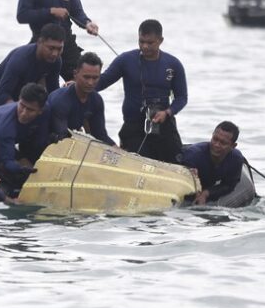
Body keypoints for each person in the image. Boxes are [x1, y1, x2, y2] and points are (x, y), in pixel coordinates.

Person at [96, 19, 187, 163]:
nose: (145, 46)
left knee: (176, 162)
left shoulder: (173, 64)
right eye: (141, 41)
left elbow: (182, 97)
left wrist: (168, 112)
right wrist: (78, 83)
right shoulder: (125, 60)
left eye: (150, 43)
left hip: (163, 124)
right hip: (133, 127)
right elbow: (101, 81)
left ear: (160, 40)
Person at [0, 83, 50, 195]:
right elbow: (7, 161)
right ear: (18, 100)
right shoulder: (7, 124)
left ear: (40, 111)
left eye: (30, 110)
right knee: (18, 174)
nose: (24, 113)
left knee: (35, 171)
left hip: (12, 142)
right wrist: (20, 169)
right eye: (22, 106)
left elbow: (40, 141)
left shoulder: (47, 110)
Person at [0, 23, 63, 112]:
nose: (55, 54)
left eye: (59, 49)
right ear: (39, 42)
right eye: (51, 48)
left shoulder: (56, 61)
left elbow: (53, 92)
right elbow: (2, 94)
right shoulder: (20, 59)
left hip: (20, 97)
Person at [46, 52, 115, 145]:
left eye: (95, 78)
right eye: (86, 77)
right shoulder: (61, 100)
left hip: (69, 140)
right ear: (75, 74)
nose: (90, 83)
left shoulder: (96, 100)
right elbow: (62, 139)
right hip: (48, 142)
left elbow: (100, 136)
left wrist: (122, 153)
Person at [180, 121, 244, 205]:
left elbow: (229, 185)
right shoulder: (194, 155)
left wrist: (206, 193)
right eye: (215, 139)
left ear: (233, 146)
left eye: (223, 143)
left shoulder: (236, 159)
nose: (217, 145)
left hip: (207, 185)